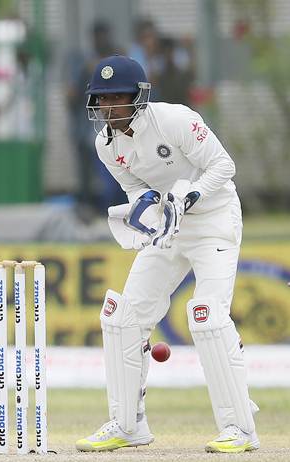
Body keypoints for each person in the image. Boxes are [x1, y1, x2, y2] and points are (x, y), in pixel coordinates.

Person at [75, 55, 259, 454]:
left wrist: (191, 192)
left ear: (138, 96)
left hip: (213, 218)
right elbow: (135, 186)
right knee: (124, 318)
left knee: (207, 316)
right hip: (169, 226)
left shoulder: (175, 119)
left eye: (115, 98)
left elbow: (223, 166)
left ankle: (239, 428)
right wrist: (143, 207)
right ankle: (128, 424)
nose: (106, 108)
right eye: (100, 99)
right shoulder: (105, 144)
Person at [65, 20, 127, 216]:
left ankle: (115, 208)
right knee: (89, 176)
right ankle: (91, 208)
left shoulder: (117, 62)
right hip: (89, 130)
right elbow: (72, 96)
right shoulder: (84, 64)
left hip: (113, 129)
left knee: (115, 174)